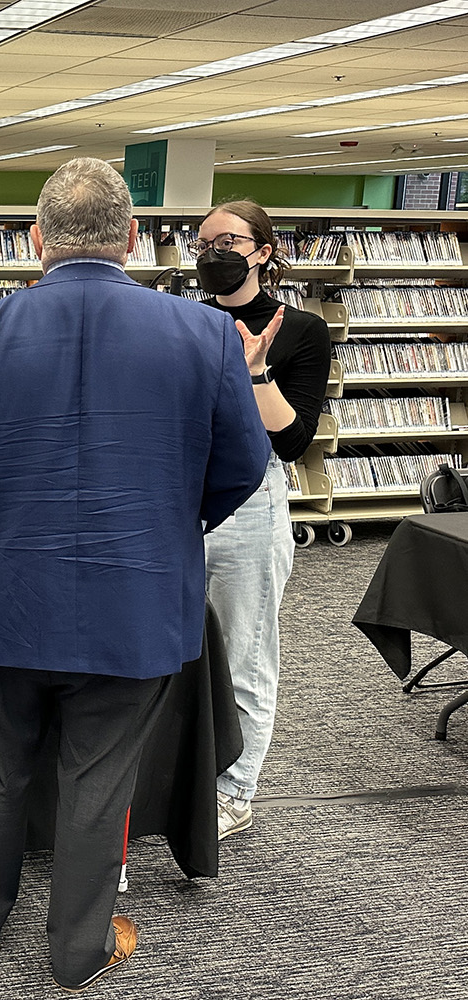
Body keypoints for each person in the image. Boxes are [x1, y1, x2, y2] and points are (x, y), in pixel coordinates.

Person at [0, 158, 271, 992]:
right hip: (139, 599)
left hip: (8, 595)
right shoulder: (205, 335)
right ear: (133, 239)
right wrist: (171, 529)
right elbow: (239, 466)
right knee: (97, 777)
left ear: (36, 240)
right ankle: (79, 948)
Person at [195, 200, 332, 840]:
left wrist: (255, 370)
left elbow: (294, 441)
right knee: (173, 643)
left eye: (229, 240)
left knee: (244, 648)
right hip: (179, 496)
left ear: (263, 251)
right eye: (203, 242)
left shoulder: (301, 330)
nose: (214, 252)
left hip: (251, 499)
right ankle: (177, 774)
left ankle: (234, 790)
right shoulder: (182, 320)